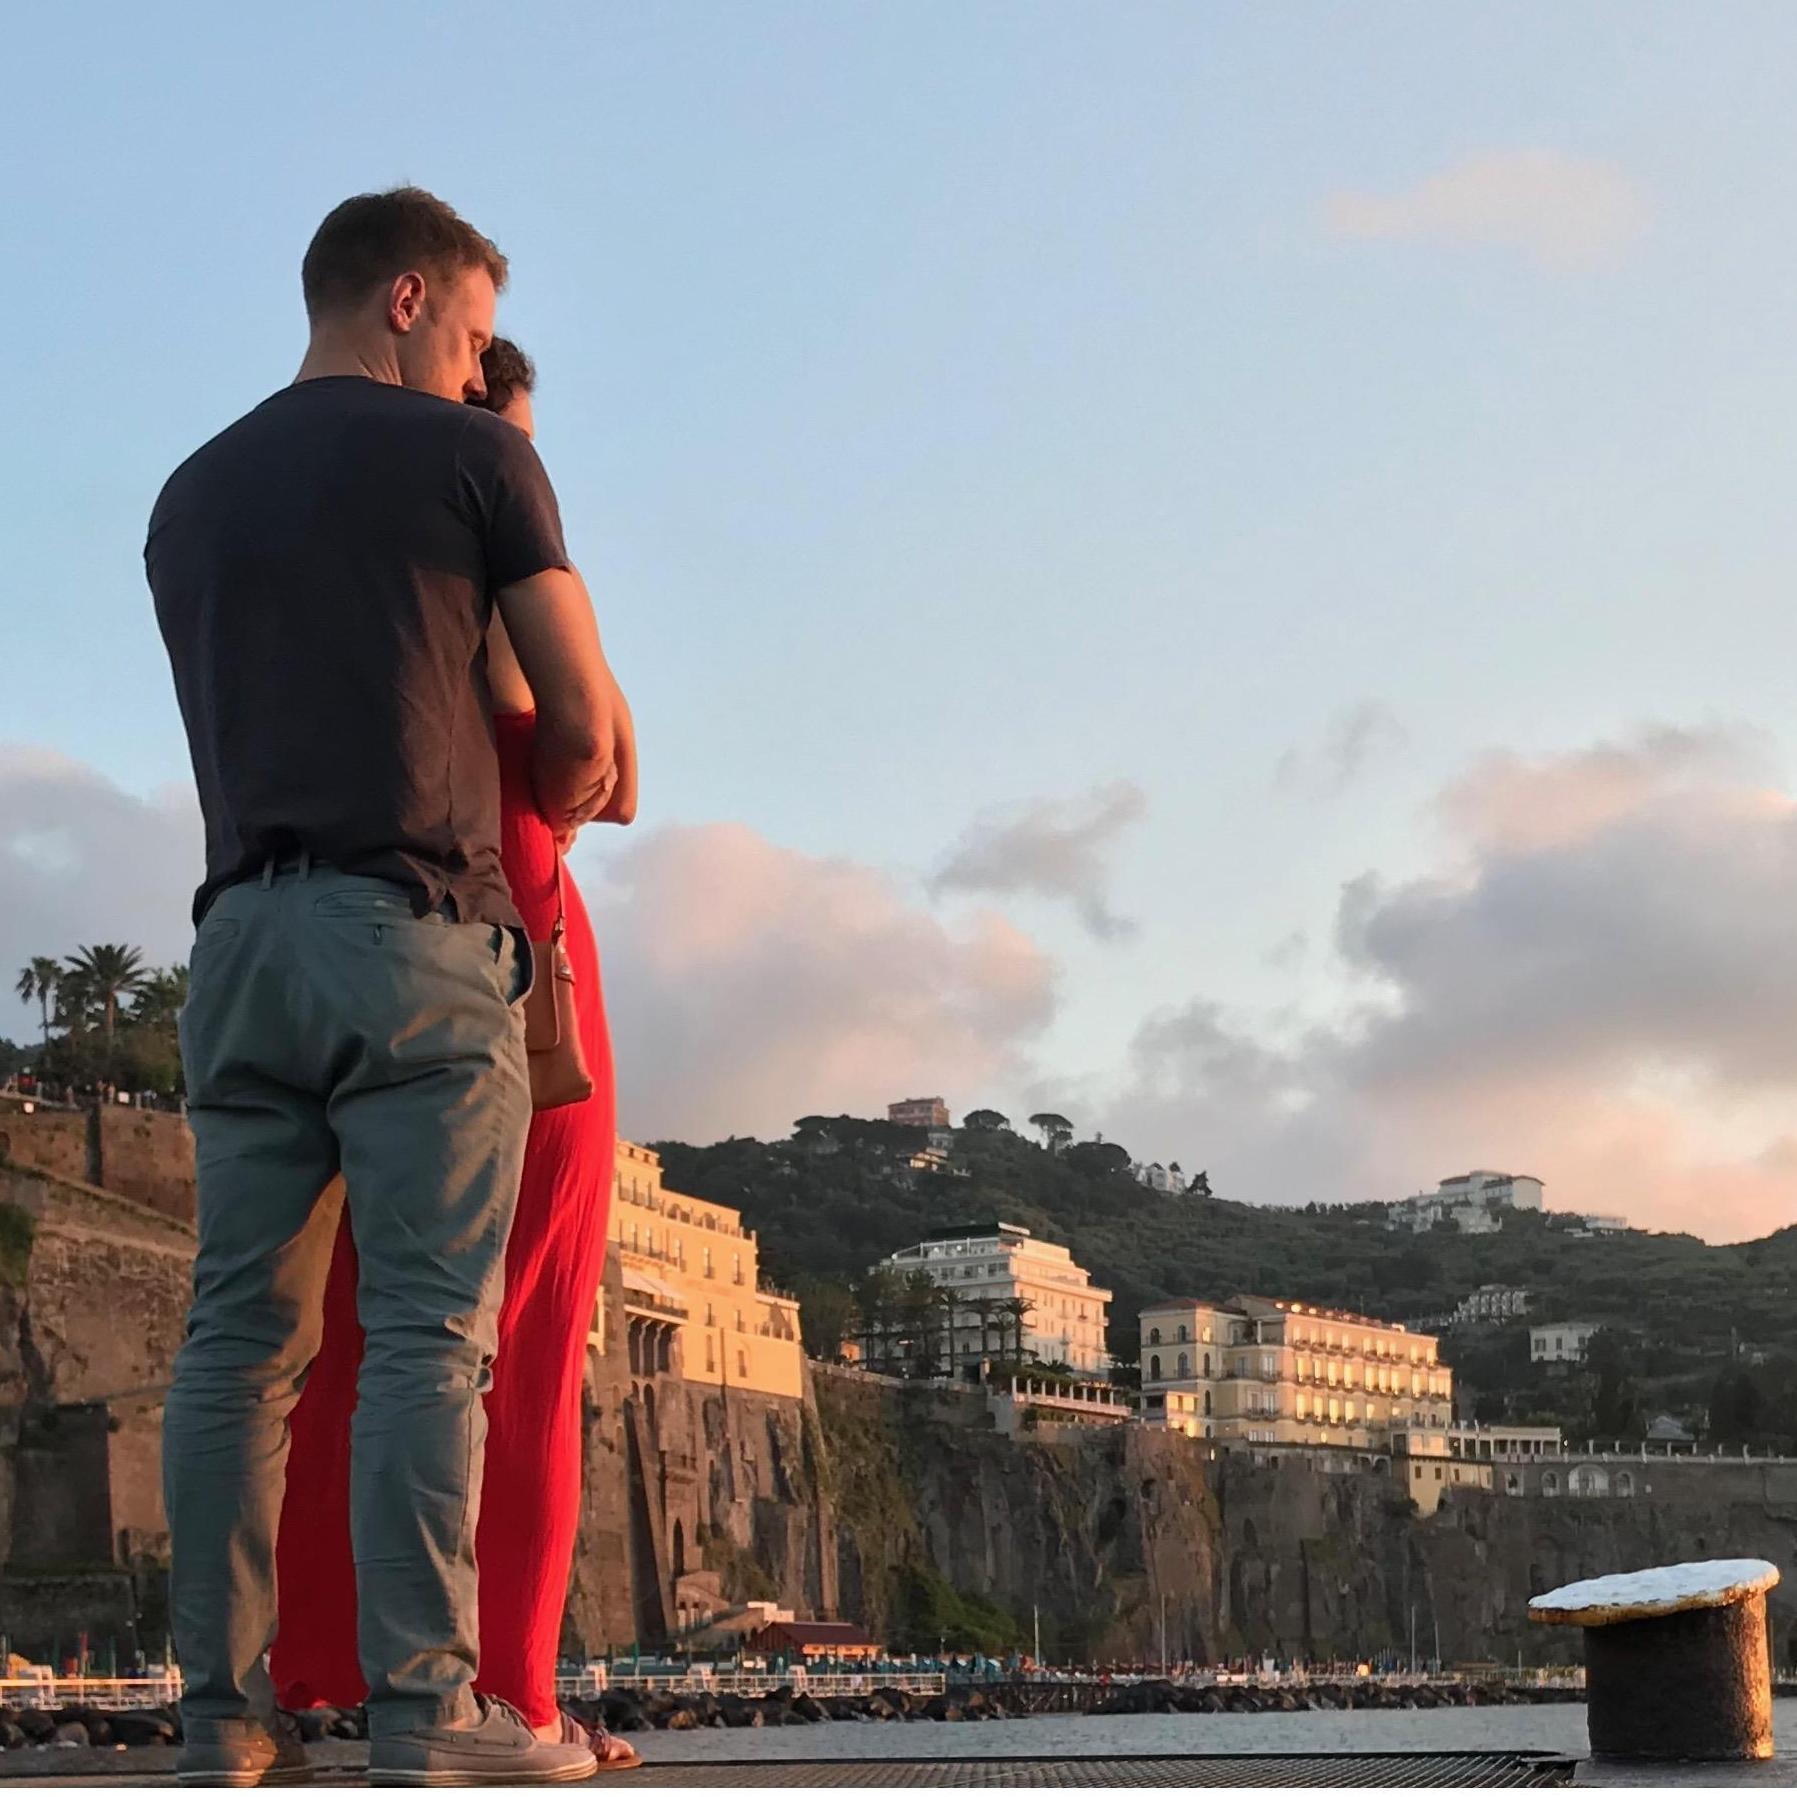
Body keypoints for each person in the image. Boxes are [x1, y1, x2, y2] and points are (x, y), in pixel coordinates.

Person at [148, 187, 632, 1788]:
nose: (479, 368)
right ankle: (427, 1720)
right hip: (417, 929)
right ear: (410, 299)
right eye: (474, 333)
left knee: (236, 1349)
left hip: (238, 939)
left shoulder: (187, 495)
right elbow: (582, 725)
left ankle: (223, 1722)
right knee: (431, 1339)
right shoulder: (476, 458)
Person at [269, 339, 641, 1770]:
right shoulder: (501, 553)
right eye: (519, 438)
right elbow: (599, 766)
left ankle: (321, 1679)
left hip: (349, 947)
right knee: (520, 1341)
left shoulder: (332, 575)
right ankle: (515, 1697)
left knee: (353, 1341)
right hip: (516, 956)